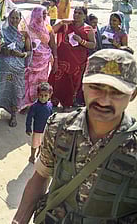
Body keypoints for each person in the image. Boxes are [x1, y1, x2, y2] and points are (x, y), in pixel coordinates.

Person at [13, 49, 137, 224]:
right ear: (83, 85)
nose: (104, 100)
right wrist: (20, 219)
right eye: (96, 87)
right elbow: (41, 176)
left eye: (116, 92)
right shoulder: (59, 127)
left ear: (133, 94)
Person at [49, 7, 96, 111]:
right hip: (62, 60)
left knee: (72, 83)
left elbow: (93, 45)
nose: (76, 15)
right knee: (58, 80)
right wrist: (61, 22)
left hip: (77, 62)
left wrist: (81, 41)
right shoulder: (67, 25)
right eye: (75, 12)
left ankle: (67, 103)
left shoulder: (88, 29)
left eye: (80, 13)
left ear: (84, 16)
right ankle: (54, 101)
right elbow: (51, 31)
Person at [0, 9, 32, 127]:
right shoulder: (2, 32)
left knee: (16, 91)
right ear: (8, 18)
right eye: (12, 17)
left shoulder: (24, 34)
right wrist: (5, 50)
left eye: (17, 18)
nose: (14, 20)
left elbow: (29, 51)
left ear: (20, 19)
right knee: (1, 89)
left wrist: (22, 55)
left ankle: (13, 115)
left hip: (17, 70)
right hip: (4, 69)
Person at [22, 6, 57, 110]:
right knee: (28, 82)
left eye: (46, 14)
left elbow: (53, 45)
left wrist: (55, 60)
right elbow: (22, 43)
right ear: (36, 15)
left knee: (40, 82)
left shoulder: (48, 28)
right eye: (43, 14)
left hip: (43, 61)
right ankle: (26, 104)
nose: (44, 16)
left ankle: (38, 103)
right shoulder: (28, 27)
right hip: (31, 60)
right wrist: (29, 44)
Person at [25, 82, 53, 164]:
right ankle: (32, 156)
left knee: (42, 144)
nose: (43, 98)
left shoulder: (50, 105)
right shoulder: (34, 106)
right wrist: (28, 128)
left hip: (46, 130)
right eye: (41, 95)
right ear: (38, 95)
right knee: (34, 144)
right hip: (37, 130)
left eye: (45, 96)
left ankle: (39, 154)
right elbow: (29, 118)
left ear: (49, 95)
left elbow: (51, 116)